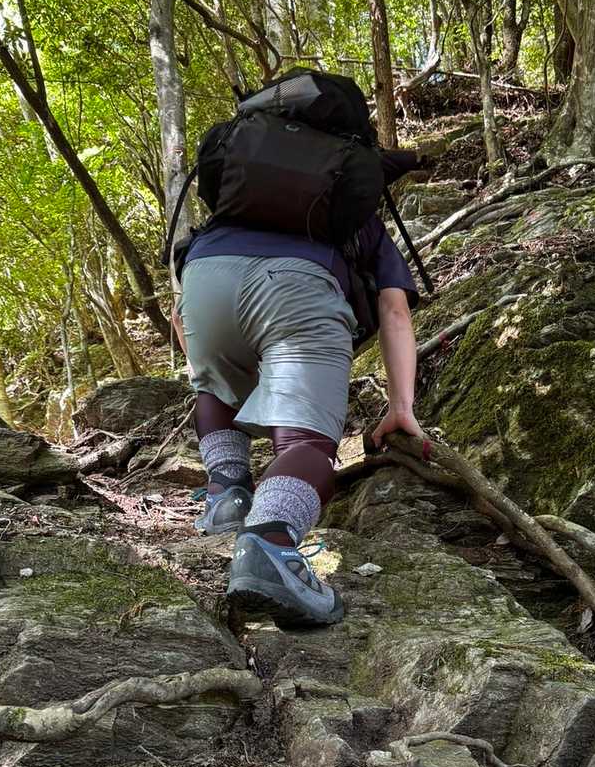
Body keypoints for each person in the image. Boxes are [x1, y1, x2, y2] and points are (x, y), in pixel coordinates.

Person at [171, 151, 425, 628]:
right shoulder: (355, 219)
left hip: (203, 278)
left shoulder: (230, 211)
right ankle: (269, 541)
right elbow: (394, 311)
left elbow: (180, 318)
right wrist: (401, 406)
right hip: (297, 286)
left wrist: (207, 367)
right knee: (306, 442)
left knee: (217, 387)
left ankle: (226, 491)